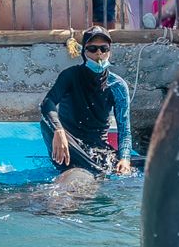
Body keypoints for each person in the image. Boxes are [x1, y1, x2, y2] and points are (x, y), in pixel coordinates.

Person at [40, 26, 141, 176]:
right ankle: (97, 171)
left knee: (152, 163)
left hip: (97, 149)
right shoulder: (70, 76)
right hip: (69, 144)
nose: (98, 53)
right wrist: (58, 130)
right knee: (46, 125)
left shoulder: (117, 85)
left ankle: (96, 170)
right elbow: (47, 103)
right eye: (92, 48)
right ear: (84, 52)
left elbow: (124, 130)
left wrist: (125, 159)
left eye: (103, 48)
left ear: (109, 52)